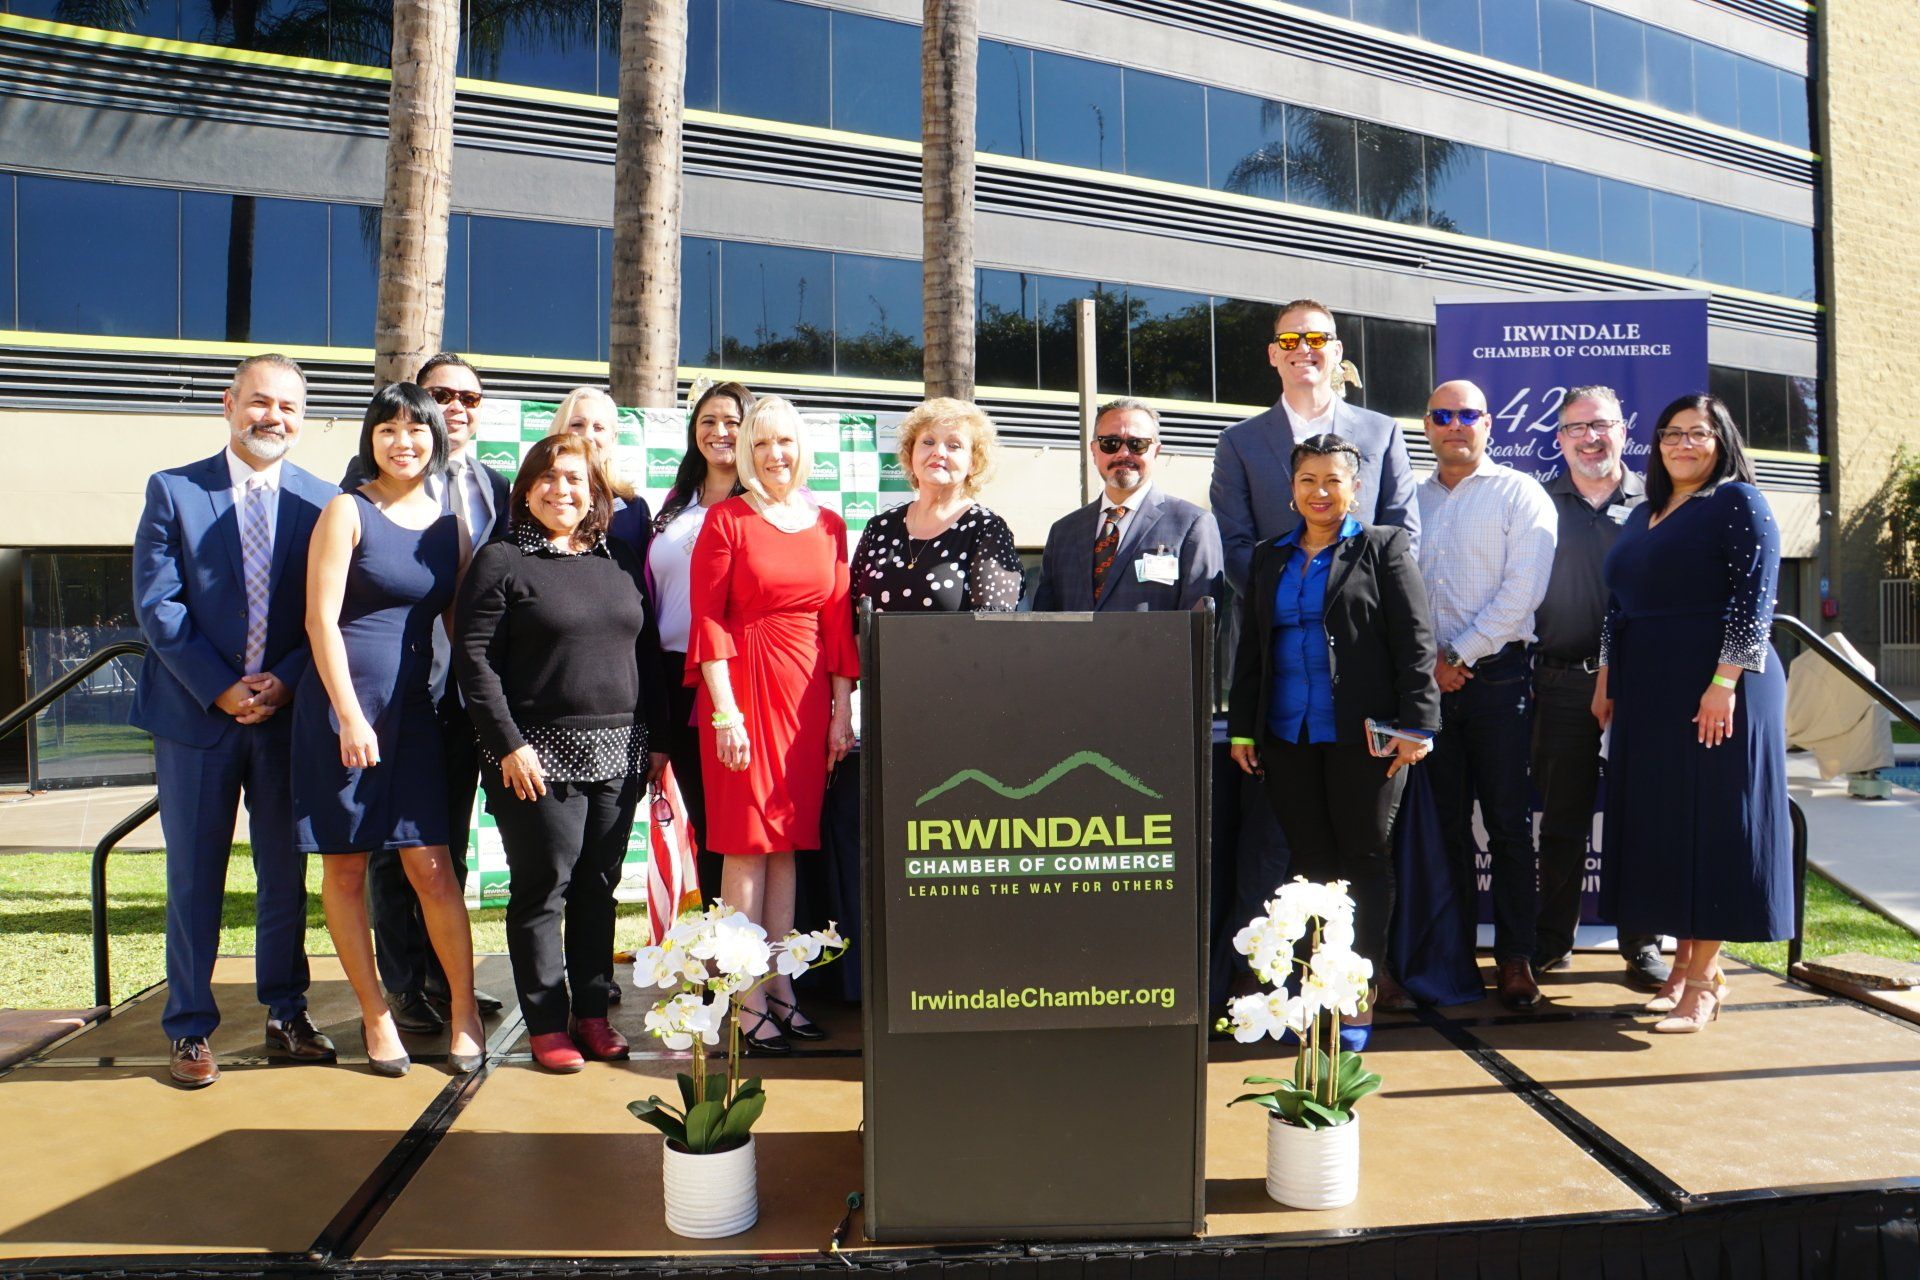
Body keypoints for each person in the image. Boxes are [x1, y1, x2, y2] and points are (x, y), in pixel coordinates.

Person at [130, 353, 340, 1088]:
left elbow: (330, 611)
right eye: (259, 401)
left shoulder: (325, 501)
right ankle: (189, 1027)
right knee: (194, 877)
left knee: (285, 874)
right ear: (229, 403)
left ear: (302, 419)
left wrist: (283, 681)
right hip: (195, 720)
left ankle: (286, 1012)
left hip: (287, 721)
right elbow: (160, 605)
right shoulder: (174, 491)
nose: (272, 417)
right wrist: (220, 688)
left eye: (287, 406)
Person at [456, 432, 670, 1072]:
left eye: (575, 479)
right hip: (533, 757)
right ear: (526, 490)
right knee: (542, 889)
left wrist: (657, 741)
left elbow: (647, 655)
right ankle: (547, 1022)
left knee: (598, 887)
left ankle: (593, 1013)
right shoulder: (500, 560)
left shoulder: (620, 556)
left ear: (596, 492)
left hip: (620, 751)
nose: (562, 490)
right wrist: (509, 746)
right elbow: (475, 662)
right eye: (547, 479)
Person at [292, 382, 483, 1078]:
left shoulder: (448, 527)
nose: (405, 441)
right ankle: (376, 1017)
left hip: (418, 716)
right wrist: (347, 713)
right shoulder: (346, 510)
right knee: (344, 868)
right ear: (371, 438)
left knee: (432, 868)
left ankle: (463, 1012)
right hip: (344, 713)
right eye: (389, 429)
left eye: (418, 429)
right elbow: (320, 620)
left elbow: (463, 632)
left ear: (437, 439)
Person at [1227, 435, 1439, 1044]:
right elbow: (1252, 651)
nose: (1320, 492)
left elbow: (1415, 640)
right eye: (1307, 481)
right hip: (1287, 734)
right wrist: (1244, 725)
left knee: (1365, 859)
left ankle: (1358, 991)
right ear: (1291, 491)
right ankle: (1317, 984)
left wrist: (1419, 724)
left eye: (1333, 481)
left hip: (1366, 738)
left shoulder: (1383, 547)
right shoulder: (1270, 556)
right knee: (1310, 864)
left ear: (1355, 488)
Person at [1594, 395, 1792, 1034]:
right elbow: (1617, 605)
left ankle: (1704, 983)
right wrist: (1607, 678)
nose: (1684, 444)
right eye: (1672, 434)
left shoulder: (1737, 502)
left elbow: (1753, 598)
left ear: (1722, 440)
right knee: (1669, 826)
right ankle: (1683, 968)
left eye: (1698, 433)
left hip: (1717, 688)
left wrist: (1724, 682)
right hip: (1650, 687)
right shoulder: (1644, 513)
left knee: (1710, 827)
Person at [687, 395, 858, 1054]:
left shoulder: (829, 524)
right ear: (748, 454)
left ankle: (782, 984)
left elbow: (838, 622)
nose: (775, 455)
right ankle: (743, 993)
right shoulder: (727, 520)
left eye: (785, 442)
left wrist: (842, 709)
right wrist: (726, 710)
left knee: (788, 843)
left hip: (809, 696)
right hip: (743, 692)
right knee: (745, 846)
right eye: (761, 444)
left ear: (802, 447)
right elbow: (708, 619)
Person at [344, 353, 508, 1035]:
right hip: (395, 692)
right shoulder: (369, 488)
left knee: (447, 847)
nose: (458, 406)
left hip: (465, 695)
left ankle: (449, 980)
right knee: (389, 852)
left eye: (470, 396)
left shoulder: (497, 486)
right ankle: (405, 986)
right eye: (442, 394)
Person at [1415, 380, 1558, 1010]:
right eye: (1443, 415)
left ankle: (1515, 959)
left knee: (1506, 827)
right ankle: (1450, 956)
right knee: (1440, 828)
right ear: (1427, 426)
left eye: (1467, 414)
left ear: (1488, 423)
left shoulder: (1520, 494)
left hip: (1499, 681)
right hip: (1424, 688)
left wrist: (1459, 655)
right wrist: (1431, 664)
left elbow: (1523, 591)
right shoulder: (1408, 500)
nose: (1455, 425)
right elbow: (1396, 595)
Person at [1531, 386, 1666, 991]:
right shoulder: (1532, 501)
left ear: (1624, 431)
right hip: (1560, 683)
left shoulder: (1659, 503)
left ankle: (1640, 945)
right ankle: (1552, 942)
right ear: (1560, 438)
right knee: (1561, 822)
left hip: (1643, 686)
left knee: (1641, 817)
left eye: (1603, 425)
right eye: (1577, 427)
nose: (1591, 437)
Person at [1210, 297, 1420, 596]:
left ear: (1336, 351)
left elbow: (1403, 533)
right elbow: (1233, 543)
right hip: (1272, 626)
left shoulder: (1382, 432)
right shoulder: (1238, 442)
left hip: (1364, 624)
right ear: (1273, 354)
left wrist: (1372, 602)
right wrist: (1283, 604)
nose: (1302, 348)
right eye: (1289, 340)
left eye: (1316, 338)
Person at [650, 381, 750, 904]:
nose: (720, 431)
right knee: (700, 818)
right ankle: (717, 949)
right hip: (672, 677)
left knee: (728, 821)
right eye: (708, 420)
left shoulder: (764, 503)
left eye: (732, 420)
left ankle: (738, 960)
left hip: (732, 678)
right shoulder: (676, 501)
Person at [1032, 399, 1221, 612]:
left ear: (1156, 451)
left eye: (1137, 444)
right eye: (1110, 443)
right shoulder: (1063, 533)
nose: (1123, 453)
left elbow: (1200, 630)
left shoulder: (1192, 525)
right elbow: (1044, 623)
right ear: (1094, 451)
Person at [852, 397, 1023, 613]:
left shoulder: (987, 529)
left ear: (973, 462)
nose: (939, 452)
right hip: (875, 649)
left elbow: (993, 627)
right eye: (928, 441)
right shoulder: (879, 528)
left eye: (954, 445)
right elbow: (850, 615)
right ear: (911, 453)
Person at [546, 386, 654, 560]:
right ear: (558, 432)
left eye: (599, 427)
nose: (587, 436)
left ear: (613, 438)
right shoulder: (539, 499)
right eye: (577, 424)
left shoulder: (634, 508)